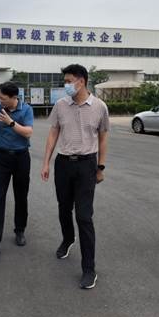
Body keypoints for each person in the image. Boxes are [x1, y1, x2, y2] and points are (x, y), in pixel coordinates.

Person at [41, 64, 109, 289]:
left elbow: (103, 138)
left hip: (87, 165)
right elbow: (53, 132)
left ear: (82, 81)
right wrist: (46, 162)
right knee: (63, 208)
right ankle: (68, 238)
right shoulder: (60, 105)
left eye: (69, 81)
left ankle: (89, 269)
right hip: (63, 164)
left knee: (84, 216)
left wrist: (101, 167)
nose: (66, 85)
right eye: (65, 81)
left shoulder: (99, 107)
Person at [0, 82, 34, 257]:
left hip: (21, 157)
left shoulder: (26, 110)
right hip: (2, 157)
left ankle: (20, 230)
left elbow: (28, 132)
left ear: (14, 97)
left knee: (21, 196)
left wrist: (10, 122)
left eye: (3, 98)